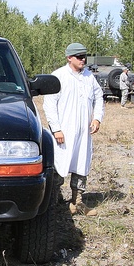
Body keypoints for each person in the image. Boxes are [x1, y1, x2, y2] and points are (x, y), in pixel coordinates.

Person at [43, 42, 104, 216]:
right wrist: (56, 129)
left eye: (84, 56)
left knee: (81, 163)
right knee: (59, 166)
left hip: (84, 132)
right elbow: (49, 105)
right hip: (64, 131)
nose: (83, 59)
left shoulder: (88, 77)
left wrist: (97, 118)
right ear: (69, 58)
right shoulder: (59, 76)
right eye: (79, 57)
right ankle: (53, 204)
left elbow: (99, 97)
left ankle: (77, 203)